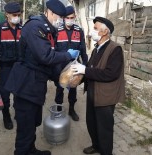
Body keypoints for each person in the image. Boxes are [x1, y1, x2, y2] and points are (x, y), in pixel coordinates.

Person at [4, 0, 79, 155]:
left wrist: (62, 77)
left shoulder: (48, 30)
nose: (60, 21)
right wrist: (67, 55)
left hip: (35, 85)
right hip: (26, 86)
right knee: (25, 128)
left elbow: (46, 63)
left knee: (33, 123)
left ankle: (31, 150)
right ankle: (23, 151)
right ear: (49, 12)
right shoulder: (34, 27)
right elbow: (45, 56)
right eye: (58, 17)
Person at [71, 17, 125, 155]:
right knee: (92, 123)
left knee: (104, 128)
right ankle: (96, 146)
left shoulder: (115, 49)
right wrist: (77, 79)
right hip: (92, 93)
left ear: (105, 31)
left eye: (95, 28)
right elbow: (90, 70)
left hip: (105, 97)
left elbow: (110, 74)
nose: (92, 31)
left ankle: (106, 152)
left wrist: (85, 70)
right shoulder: (96, 49)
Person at [54, 6, 88, 121]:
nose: (70, 19)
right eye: (67, 17)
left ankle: (71, 109)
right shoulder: (57, 31)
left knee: (73, 88)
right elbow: (53, 49)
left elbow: (83, 49)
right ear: (63, 18)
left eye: (72, 17)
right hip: (60, 65)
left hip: (74, 66)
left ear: (75, 17)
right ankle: (58, 110)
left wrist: (85, 64)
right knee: (59, 88)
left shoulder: (79, 31)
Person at [0, 2, 22, 130]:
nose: (17, 17)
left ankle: (17, 112)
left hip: (19, 66)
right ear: (7, 15)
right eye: (14, 15)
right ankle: (6, 115)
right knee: (5, 93)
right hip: (5, 67)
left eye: (18, 15)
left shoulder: (22, 29)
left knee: (18, 92)